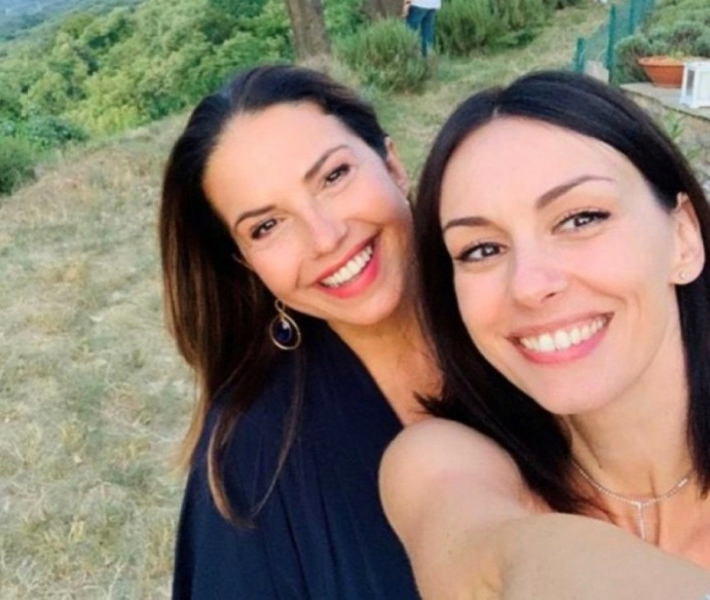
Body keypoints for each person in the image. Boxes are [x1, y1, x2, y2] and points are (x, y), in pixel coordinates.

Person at [381, 69, 710, 599]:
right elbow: (490, 553)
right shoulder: (442, 462)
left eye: (580, 219)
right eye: (482, 250)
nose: (530, 286)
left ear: (683, 239)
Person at [159, 64, 439, 599]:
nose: (325, 238)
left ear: (393, 164)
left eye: (334, 177)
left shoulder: (525, 315)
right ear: (246, 264)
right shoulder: (252, 461)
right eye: (267, 226)